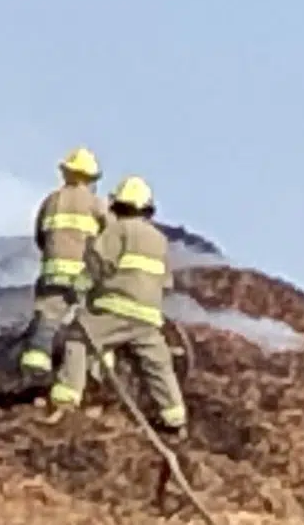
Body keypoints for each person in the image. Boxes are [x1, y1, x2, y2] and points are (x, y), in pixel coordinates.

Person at [46, 176, 187, 434]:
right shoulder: (159, 240)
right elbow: (166, 283)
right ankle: (175, 419)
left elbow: (98, 265)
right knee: (158, 365)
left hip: (115, 309)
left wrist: (78, 288)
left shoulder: (116, 231)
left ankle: (66, 401)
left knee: (77, 339)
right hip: (148, 317)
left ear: (117, 206)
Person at [19, 147, 108, 381]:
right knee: (91, 321)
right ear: (90, 178)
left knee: (48, 316)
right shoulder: (96, 204)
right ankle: (95, 370)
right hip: (83, 276)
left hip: (52, 274)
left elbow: (40, 237)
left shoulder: (51, 201)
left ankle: (36, 360)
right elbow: (109, 240)